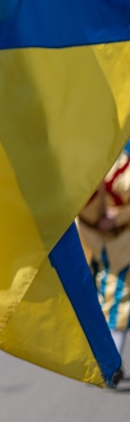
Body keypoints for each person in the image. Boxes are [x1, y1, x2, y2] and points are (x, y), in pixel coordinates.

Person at [77, 146, 130, 362]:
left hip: (120, 244)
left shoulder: (122, 164)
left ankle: (110, 363)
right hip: (87, 239)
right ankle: (103, 360)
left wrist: (116, 219)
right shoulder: (80, 159)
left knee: (116, 295)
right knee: (90, 296)